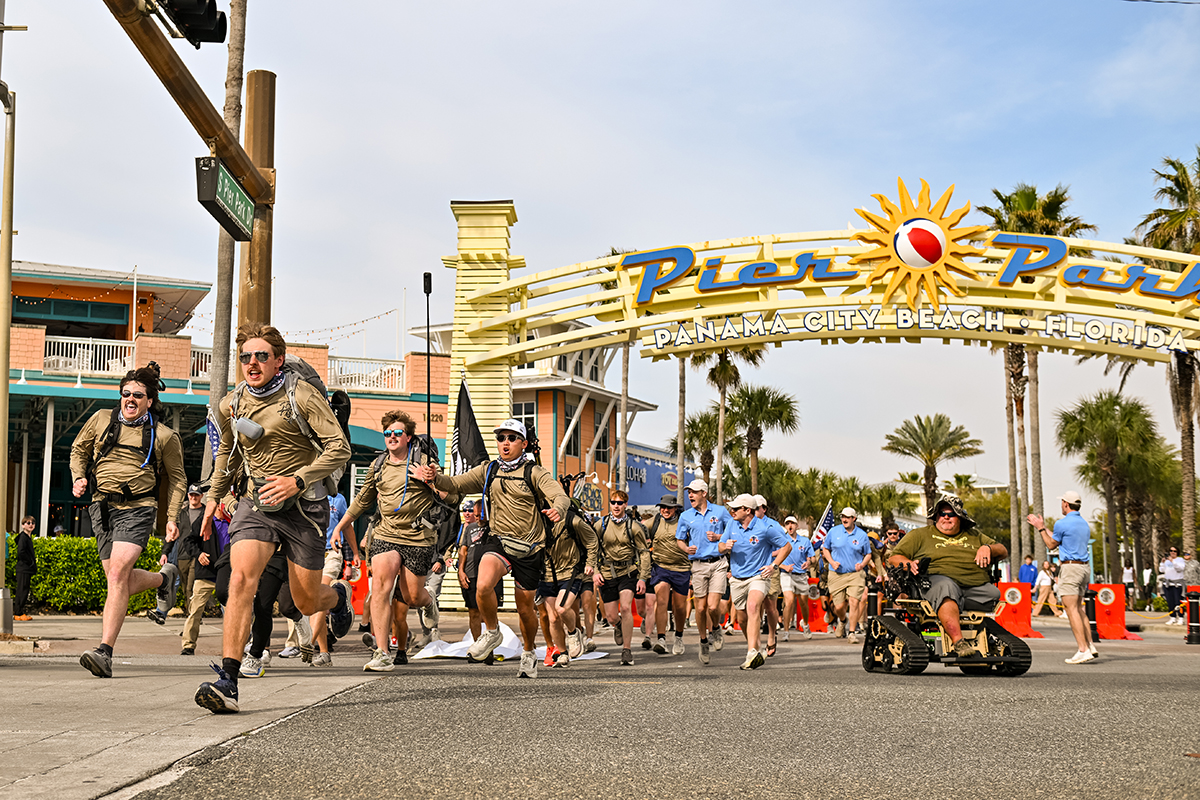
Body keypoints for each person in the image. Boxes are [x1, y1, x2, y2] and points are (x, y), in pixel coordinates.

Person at [195, 324, 352, 712]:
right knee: (241, 582)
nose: (252, 363)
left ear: (278, 361)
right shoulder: (231, 404)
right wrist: (214, 498)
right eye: (246, 357)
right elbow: (227, 457)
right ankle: (228, 679)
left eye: (261, 356)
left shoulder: (301, 395)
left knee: (304, 600)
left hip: (304, 506)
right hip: (256, 502)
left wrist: (297, 480)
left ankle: (337, 600)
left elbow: (340, 448)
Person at [413, 418, 569, 678]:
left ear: (523, 443)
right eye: (501, 438)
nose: (505, 443)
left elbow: (559, 495)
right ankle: (493, 632)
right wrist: (434, 477)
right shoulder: (489, 470)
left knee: (525, 609)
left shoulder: (535, 472)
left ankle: (529, 652)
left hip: (529, 547)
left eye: (511, 438)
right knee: (483, 585)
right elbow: (455, 484)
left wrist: (558, 509)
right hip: (499, 540)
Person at [70, 363, 188, 679]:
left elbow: (177, 478)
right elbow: (78, 450)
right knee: (116, 579)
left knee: (119, 572)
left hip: (138, 508)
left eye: (138, 395)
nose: (130, 399)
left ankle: (104, 652)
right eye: (126, 393)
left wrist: (172, 517)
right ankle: (164, 580)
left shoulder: (164, 436)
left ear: (150, 400)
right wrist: (79, 476)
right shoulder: (100, 420)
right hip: (101, 508)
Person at [331, 410, 447, 672]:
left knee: (412, 596)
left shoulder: (425, 462)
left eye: (397, 433)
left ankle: (428, 601)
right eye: (387, 433)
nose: (391, 437)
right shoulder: (379, 464)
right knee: (381, 588)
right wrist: (339, 526)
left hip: (418, 536)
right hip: (385, 533)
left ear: (407, 437)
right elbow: (362, 500)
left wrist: (429, 480)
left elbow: (449, 497)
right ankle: (382, 652)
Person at [891, 494, 1007, 658]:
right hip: (935, 582)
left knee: (993, 593)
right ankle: (959, 642)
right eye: (941, 514)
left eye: (951, 514)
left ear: (959, 517)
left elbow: (1002, 550)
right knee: (948, 588)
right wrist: (907, 563)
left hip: (973, 586)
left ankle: (981, 638)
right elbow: (894, 557)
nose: (946, 517)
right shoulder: (919, 535)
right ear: (936, 516)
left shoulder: (975, 535)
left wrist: (988, 548)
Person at [718, 494, 791, 669]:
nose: (732, 511)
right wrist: (725, 546)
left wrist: (773, 565)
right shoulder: (731, 524)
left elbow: (787, 546)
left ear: (747, 510)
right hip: (737, 578)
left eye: (735, 508)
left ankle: (752, 651)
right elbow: (720, 546)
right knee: (742, 619)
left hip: (759, 576)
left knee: (753, 606)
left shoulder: (765, 528)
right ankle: (754, 646)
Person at [1029, 491, 1098, 661]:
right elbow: (1062, 537)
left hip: (1070, 568)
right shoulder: (1083, 523)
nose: (1061, 505)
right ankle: (1090, 645)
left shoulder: (1062, 523)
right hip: (1083, 569)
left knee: (1070, 609)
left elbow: (1051, 544)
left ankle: (1082, 650)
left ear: (1066, 504)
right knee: (1080, 609)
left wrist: (1040, 529)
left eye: (1062, 502)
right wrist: (1045, 527)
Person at [674, 478, 733, 665]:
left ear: (704, 494)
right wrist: (685, 549)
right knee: (699, 608)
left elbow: (734, 531)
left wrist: (719, 537)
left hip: (718, 563)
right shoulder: (685, 516)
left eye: (694, 491)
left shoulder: (720, 511)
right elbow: (680, 539)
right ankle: (703, 641)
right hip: (698, 565)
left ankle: (715, 628)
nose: (690, 494)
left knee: (713, 607)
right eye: (689, 491)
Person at [537, 504, 598, 667]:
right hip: (548, 574)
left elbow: (592, 539)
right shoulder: (537, 521)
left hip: (570, 572)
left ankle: (573, 632)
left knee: (562, 608)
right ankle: (563, 653)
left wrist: (591, 563)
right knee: (553, 618)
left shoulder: (572, 520)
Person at [594, 489, 650, 665]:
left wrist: (642, 578)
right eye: (613, 502)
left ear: (625, 505)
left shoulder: (633, 527)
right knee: (611, 616)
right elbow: (592, 550)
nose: (616, 506)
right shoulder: (600, 525)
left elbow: (644, 553)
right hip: (607, 573)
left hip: (627, 572)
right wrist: (595, 572)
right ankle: (617, 626)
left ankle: (627, 650)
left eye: (620, 503)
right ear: (609, 504)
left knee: (625, 608)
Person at [180, 498, 232, 656]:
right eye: (222, 504)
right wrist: (199, 554)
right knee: (195, 610)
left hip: (229, 573)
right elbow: (189, 540)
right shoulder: (204, 520)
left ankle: (233, 647)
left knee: (232, 612)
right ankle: (188, 645)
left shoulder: (234, 522)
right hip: (206, 573)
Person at [646, 493, 690, 655]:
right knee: (662, 600)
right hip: (661, 568)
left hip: (682, 568)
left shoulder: (684, 522)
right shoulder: (655, 522)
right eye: (662, 507)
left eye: (669, 508)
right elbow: (638, 531)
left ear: (675, 509)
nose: (665, 510)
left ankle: (678, 636)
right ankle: (661, 639)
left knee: (679, 607)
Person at [820, 507, 871, 643]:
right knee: (839, 607)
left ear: (854, 519)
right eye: (843, 516)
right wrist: (831, 561)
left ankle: (852, 633)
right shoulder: (834, 531)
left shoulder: (862, 535)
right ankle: (843, 620)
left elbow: (868, 554)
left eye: (847, 517)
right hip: (836, 574)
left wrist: (862, 564)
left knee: (854, 602)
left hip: (855, 574)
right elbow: (825, 549)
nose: (844, 519)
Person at [455, 498, 502, 643]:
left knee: (490, 612)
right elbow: (464, 549)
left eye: (479, 514)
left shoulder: (496, 527)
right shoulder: (469, 528)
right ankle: (477, 644)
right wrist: (461, 571)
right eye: (475, 514)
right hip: (471, 575)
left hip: (491, 576)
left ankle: (490, 644)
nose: (476, 517)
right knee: (474, 612)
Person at [751, 494, 786, 656]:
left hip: (769, 568)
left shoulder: (772, 525)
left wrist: (773, 559)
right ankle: (754, 641)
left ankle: (772, 635)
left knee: (770, 607)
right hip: (751, 569)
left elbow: (785, 546)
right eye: (752, 507)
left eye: (757, 508)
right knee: (753, 606)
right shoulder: (745, 522)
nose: (754, 510)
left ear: (764, 509)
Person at [779, 516, 814, 640]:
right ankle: (786, 632)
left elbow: (812, 557)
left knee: (804, 603)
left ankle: (805, 624)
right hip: (786, 574)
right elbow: (774, 559)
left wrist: (808, 562)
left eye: (792, 523)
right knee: (788, 601)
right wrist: (784, 566)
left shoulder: (805, 541)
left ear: (797, 526)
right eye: (787, 523)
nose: (790, 526)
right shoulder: (781, 540)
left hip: (801, 575)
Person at [13, 516, 36, 620]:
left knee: (24, 590)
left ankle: (19, 612)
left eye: (32, 523)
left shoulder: (27, 538)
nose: (30, 524)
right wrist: (30, 562)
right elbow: (21, 552)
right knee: (22, 590)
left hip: (26, 568)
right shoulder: (23, 538)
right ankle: (18, 613)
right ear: (23, 525)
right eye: (27, 523)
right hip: (23, 568)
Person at [1160, 546, 1187, 625]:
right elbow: (1161, 570)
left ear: (1177, 552)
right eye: (1171, 551)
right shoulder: (1167, 561)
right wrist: (1162, 562)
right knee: (1170, 602)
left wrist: (1173, 561)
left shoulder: (1180, 560)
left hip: (1177, 584)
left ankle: (1181, 618)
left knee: (1178, 601)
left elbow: (1180, 569)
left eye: (1174, 551)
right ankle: (1172, 617)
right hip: (1168, 583)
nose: (1172, 552)